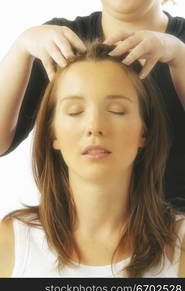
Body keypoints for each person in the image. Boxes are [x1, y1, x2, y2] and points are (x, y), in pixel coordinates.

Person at [0, 42, 185, 278]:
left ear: (144, 132)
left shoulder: (180, 245)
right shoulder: (11, 243)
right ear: (52, 134)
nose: (94, 127)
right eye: (75, 111)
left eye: (117, 110)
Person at [0, 0, 185, 211]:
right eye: (75, 111)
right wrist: (22, 46)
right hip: (79, 226)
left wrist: (179, 55)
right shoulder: (58, 43)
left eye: (117, 111)